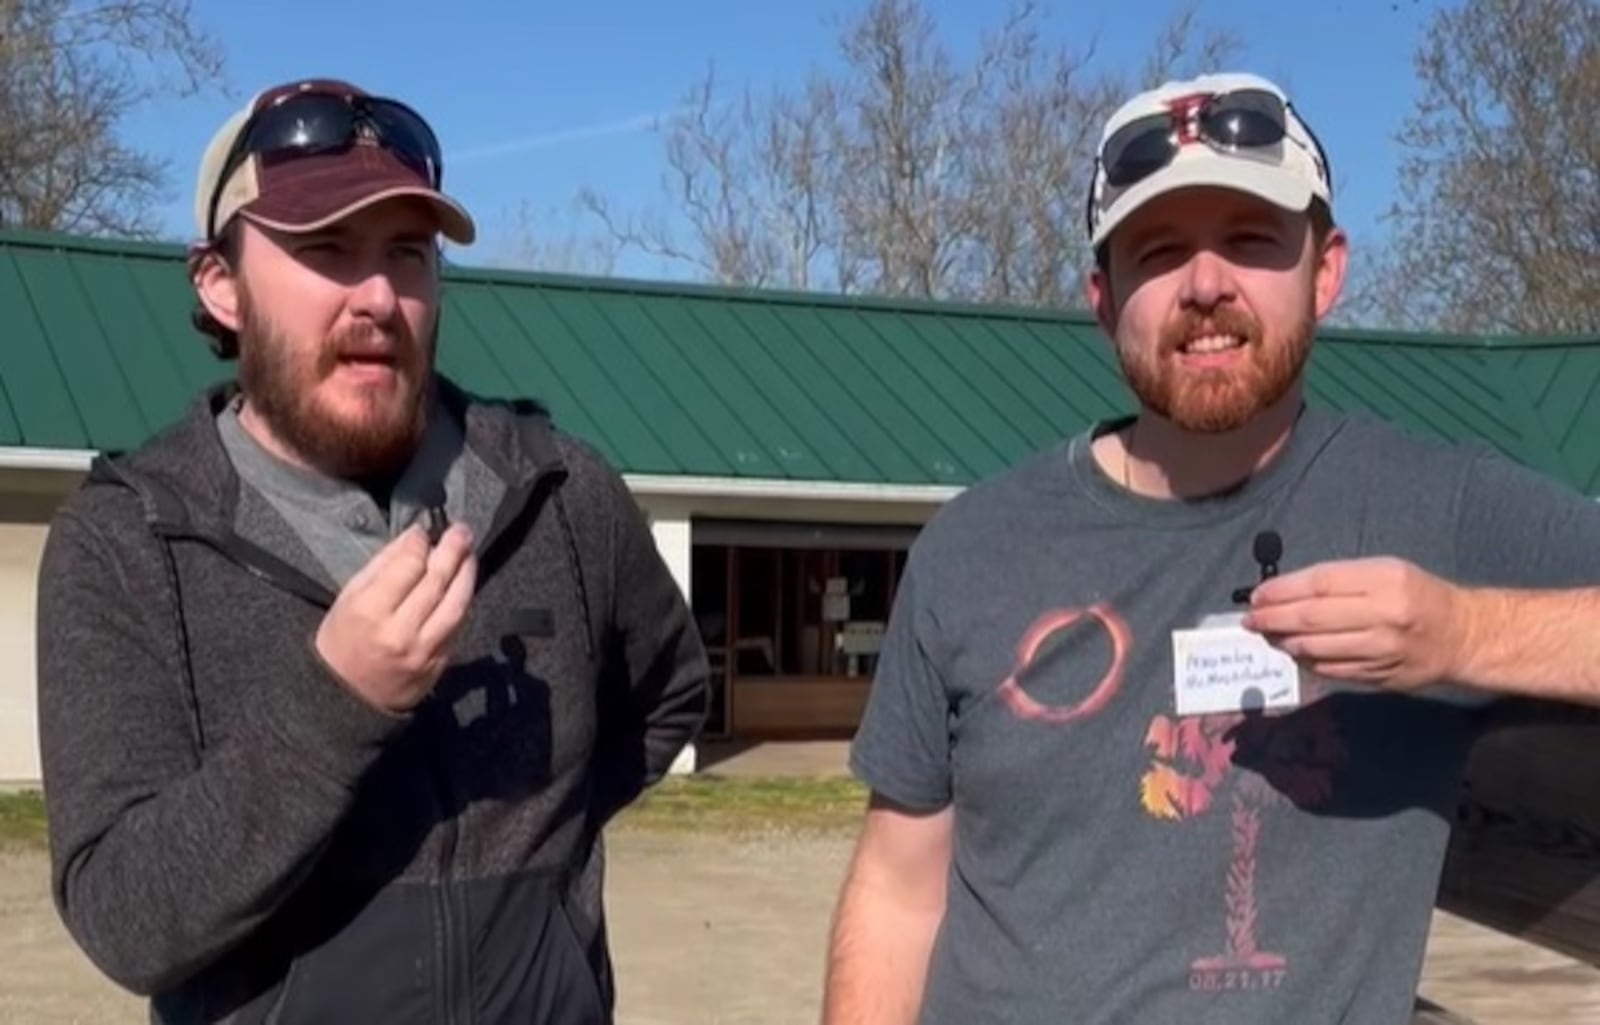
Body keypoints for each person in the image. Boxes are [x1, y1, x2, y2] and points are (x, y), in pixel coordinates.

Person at [822, 70, 1600, 1025]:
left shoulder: (1443, 510)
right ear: (1103, 300)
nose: (1204, 285)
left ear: (1326, 271)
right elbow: (899, 890)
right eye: (1157, 251)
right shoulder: (973, 545)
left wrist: (1463, 632)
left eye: (1248, 240)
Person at [35, 77, 710, 1023]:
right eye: (325, 249)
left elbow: (669, 691)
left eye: (406, 252)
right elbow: (127, 915)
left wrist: (536, 885)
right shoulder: (128, 541)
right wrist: (336, 704)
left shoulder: (557, 489)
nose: (378, 297)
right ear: (220, 285)